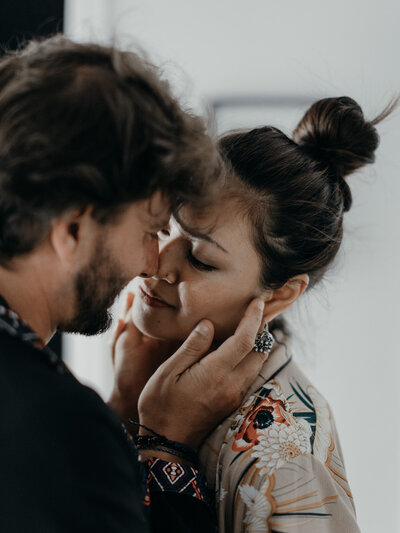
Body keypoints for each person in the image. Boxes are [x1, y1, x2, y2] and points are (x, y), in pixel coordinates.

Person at [0, 36, 269, 533]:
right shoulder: (58, 428)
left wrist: (120, 409)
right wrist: (167, 441)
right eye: (149, 231)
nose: (151, 263)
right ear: (72, 230)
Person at [112, 96, 392, 532]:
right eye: (163, 228)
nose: (156, 264)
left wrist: (163, 441)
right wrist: (126, 408)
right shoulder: (153, 374)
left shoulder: (280, 455)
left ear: (280, 295)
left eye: (202, 260)